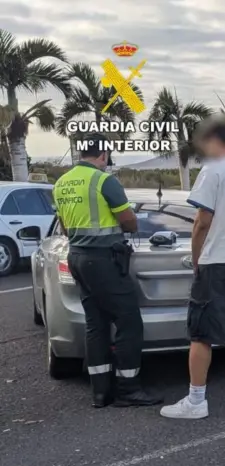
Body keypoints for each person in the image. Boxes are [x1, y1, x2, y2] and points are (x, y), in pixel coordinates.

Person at [160, 117, 225, 420]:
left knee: (201, 333)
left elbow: (202, 221)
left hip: (218, 259)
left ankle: (196, 400)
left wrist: (196, 260)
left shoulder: (213, 170)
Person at [51, 134, 162, 408]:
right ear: (103, 155)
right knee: (128, 321)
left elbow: (65, 228)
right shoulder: (104, 181)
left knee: (96, 324)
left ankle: (100, 392)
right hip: (102, 260)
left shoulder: (61, 183)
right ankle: (128, 389)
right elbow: (130, 222)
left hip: (76, 256)